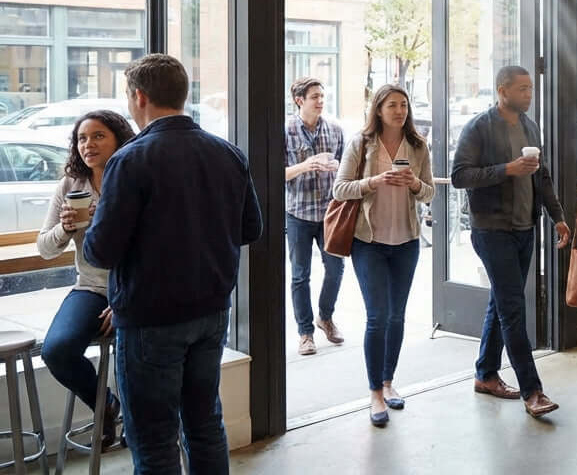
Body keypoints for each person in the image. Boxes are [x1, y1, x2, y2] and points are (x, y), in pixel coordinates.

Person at [84, 54, 264, 475]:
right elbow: (250, 229)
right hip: (212, 314)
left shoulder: (130, 160)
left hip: (151, 321)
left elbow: (101, 252)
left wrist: (95, 222)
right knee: (205, 426)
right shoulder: (228, 154)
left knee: (154, 441)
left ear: (140, 97)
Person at [451, 66, 571, 419]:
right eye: (522, 89)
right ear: (502, 90)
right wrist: (507, 169)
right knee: (513, 307)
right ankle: (533, 392)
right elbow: (460, 176)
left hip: (524, 229)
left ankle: (486, 373)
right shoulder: (479, 127)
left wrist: (558, 216)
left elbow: (543, 176)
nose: (529, 95)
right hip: (491, 230)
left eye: (531, 89)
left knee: (502, 303)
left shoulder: (531, 126)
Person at [332, 84, 436, 428]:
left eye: (404, 105)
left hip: (406, 242)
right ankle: (375, 391)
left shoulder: (418, 146)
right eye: (392, 105)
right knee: (377, 317)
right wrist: (373, 181)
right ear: (378, 110)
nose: (400, 111)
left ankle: (389, 381)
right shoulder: (361, 143)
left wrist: (415, 185)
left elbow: (429, 191)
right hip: (369, 242)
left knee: (397, 317)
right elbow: (340, 188)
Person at [38, 110, 136, 451]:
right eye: (82, 138)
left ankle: (135, 426)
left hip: (134, 287)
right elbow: (44, 249)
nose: (88, 144)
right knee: (57, 349)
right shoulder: (71, 185)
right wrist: (65, 229)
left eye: (98, 136)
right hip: (91, 287)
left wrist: (122, 299)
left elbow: (148, 244)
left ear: (118, 140)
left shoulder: (131, 179)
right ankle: (105, 405)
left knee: (135, 353)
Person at [284, 77, 347, 356]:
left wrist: (335, 168)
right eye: (314, 97)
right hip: (298, 213)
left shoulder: (334, 129)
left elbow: (346, 170)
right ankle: (305, 332)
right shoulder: (285, 130)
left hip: (330, 212)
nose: (320, 101)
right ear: (300, 100)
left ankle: (325, 316)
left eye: (322, 96)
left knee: (336, 268)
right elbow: (276, 174)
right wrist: (305, 166)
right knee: (300, 275)